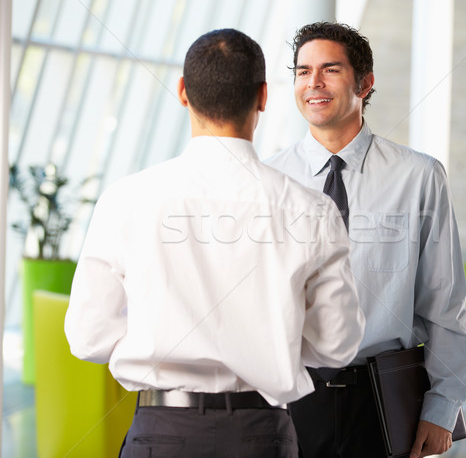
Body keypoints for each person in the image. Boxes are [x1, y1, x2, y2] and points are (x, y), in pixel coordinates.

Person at [64, 28, 365, 458]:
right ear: (263, 96)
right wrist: (271, 339)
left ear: (183, 92)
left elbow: (88, 337)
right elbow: (337, 344)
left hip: (160, 429)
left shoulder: (126, 199)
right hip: (262, 433)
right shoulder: (311, 210)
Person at [265, 22, 466, 458]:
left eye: (330, 70)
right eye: (303, 72)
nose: (314, 84)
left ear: (365, 82)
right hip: (286, 399)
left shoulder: (418, 176)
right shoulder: (269, 179)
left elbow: (444, 303)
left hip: (381, 401)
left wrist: (441, 407)